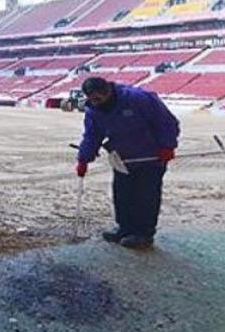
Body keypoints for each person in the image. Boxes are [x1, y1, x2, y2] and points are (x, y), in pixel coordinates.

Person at [75, 77, 180, 249]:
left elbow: (167, 122)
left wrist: (167, 146)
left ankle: (143, 234)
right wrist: (84, 158)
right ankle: (124, 229)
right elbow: (92, 136)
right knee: (122, 194)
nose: (97, 102)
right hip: (122, 158)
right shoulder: (94, 110)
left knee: (146, 196)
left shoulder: (138, 98)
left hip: (151, 156)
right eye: (93, 99)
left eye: (100, 98)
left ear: (108, 90)